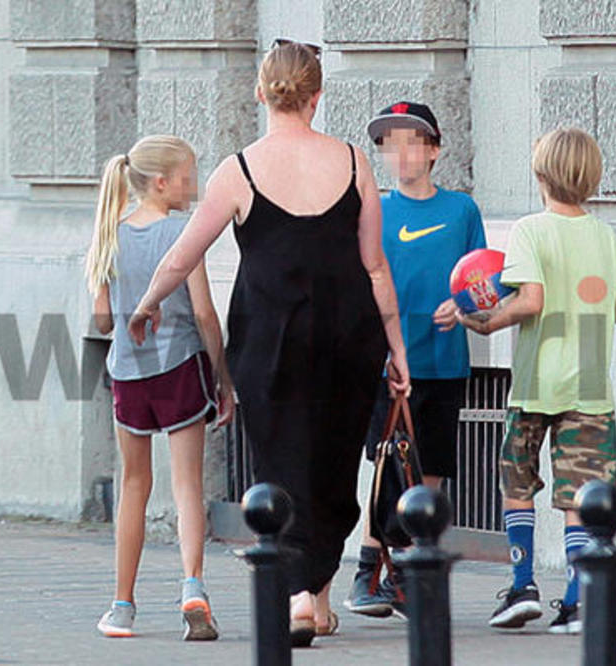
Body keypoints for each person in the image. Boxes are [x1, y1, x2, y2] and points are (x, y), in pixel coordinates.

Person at [126, 41, 410, 647]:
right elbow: (376, 266)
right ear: (317, 94)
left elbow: (184, 254)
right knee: (333, 465)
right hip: (348, 333)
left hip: (269, 338)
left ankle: (301, 595)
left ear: (261, 92)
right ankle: (318, 594)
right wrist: (397, 348)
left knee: (281, 462)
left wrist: (148, 303)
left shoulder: (238, 169)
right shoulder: (356, 163)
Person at [458, 127, 616, 634]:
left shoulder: (531, 230)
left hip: (537, 382)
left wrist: (486, 321)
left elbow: (530, 299)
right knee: (582, 494)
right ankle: (578, 601)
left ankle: (522, 585)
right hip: (590, 388)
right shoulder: (606, 235)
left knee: (517, 479)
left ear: (540, 176)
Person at [86, 135, 235, 641]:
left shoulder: (110, 233)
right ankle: (193, 586)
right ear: (162, 182)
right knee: (186, 484)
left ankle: (122, 604)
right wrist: (222, 375)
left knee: (134, 485)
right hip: (179, 366)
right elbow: (203, 313)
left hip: (128, 374)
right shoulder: (183, 231)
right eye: (190, 175)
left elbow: (103, 320)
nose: (195, 184)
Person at [345, 101, 486, 619]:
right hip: (386, 367)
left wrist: (464, 304)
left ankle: (414, 573)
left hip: (444, 361)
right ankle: (369, 571)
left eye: (412, 142)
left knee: (431, 472)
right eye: (389, 144)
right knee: (386, 470)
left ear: (435, 150)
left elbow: (481, 281)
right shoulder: (375, 211)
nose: (400, 154)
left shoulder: (461, 210)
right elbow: (361, 281)